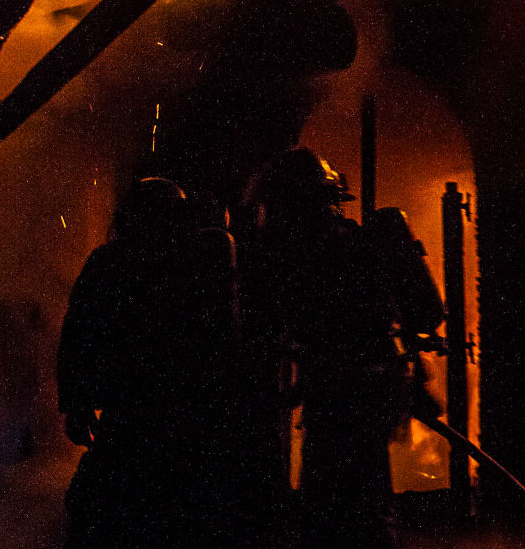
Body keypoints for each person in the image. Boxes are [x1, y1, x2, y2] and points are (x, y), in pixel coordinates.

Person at [241, 149, 444, 549]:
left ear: (299, 205)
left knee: (350, 507)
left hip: (353, 398)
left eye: (278, 208)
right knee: (349, 502)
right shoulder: (319, 257)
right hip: (353, 395)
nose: (271, 220)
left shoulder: (322, 258)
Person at [56, 177, 240, 549]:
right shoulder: (191, 263)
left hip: (139, 413)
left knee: (104, 510)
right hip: (169, 415)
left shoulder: (112, 263)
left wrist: (76, 404)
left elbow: (78, 334)